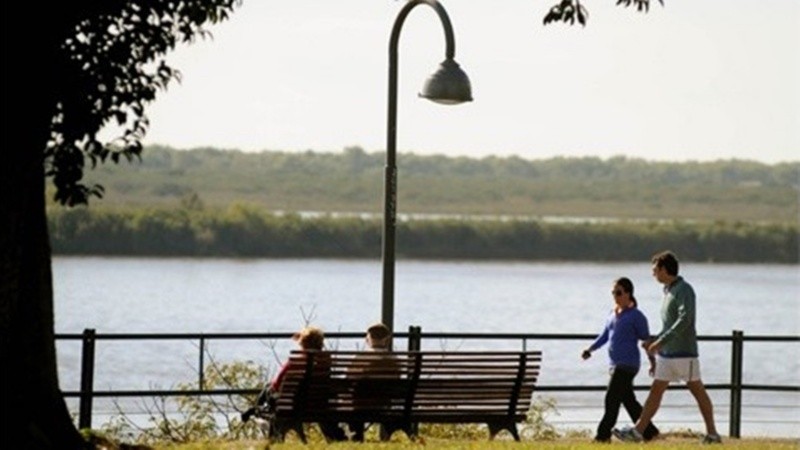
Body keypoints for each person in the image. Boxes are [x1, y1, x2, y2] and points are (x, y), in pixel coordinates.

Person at [613, 250, 722, 444]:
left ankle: (712, 434)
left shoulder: (684, 290)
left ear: (664, 269)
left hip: (684, 353)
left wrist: (661, 341)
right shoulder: (668, 291)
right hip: (667, 354)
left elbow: (685, 319)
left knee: (698, 391)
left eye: (655, 270)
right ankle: (638, 431)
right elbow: (668, 324)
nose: (653, 273)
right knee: (656, 391)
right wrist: (655, 340)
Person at [582, 277, 660, 442]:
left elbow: (646, 340)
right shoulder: (612, 314)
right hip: (614, 365)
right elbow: (604, 336)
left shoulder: (636, 316)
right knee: (628, 400)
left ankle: (602, 436)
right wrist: (590, 349)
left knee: (611, 398)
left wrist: (653, 362)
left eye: (618, 293)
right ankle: (649, 432)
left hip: (628, 365)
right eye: (613, 293)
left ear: (628, 294)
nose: (615, 296)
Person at [241, 326, 347, 442]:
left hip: (292, 405)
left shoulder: (295, 362)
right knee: (269, 388)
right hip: (316, 405)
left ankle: (255, 409)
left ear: (302, 344)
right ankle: (255, 409)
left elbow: (278, 383)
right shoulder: (325, 364)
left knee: (268, 387)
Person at [346, 322, 402, 441]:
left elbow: (349, 379)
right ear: (387, 340)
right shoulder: (395, 360)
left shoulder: (360, 359)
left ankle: (357, 436)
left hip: (361, 406)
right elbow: (398, 381)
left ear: (368, 339)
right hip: (385, 405)